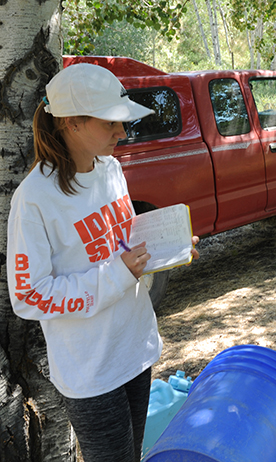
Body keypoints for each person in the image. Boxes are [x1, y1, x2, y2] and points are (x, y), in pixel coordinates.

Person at [6, 63, 200, 462]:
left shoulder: (111, 170)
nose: (123, 133)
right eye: (111, 122)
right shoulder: (35, 198)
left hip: (135, 347)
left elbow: (125, 244)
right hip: (91, 370)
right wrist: (116, 274)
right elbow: (28, 295)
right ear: (72, 123)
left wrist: (170, 249)